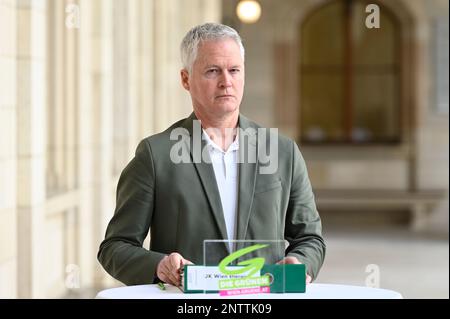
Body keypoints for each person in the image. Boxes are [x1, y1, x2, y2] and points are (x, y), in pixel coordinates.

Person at [97, 23, 325, 287]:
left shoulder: (283, 152)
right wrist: (160, 266)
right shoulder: (155, 156)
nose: (226, 81)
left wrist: (301, 262)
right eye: (213, 71)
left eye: (234, 70)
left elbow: (310, 239)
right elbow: (115, 247)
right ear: (185, 79)